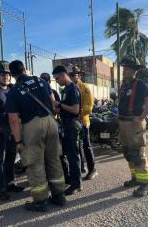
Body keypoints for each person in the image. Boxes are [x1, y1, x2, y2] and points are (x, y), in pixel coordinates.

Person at [6, 60, 66, 212]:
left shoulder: (13, 91)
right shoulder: (41, 81)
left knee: (35, 164)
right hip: (51, 122)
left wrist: (18, 141)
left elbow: (13, 120)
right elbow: (53, 102)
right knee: (53, 159)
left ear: (12, 75)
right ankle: (59, 196)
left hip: (32, 126)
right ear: (25, 69)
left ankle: (40, 201)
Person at [117, 55, 148, 197]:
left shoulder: (140, 84)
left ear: (134, 71)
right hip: (123, 123)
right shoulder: (124, 86)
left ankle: (145, 184)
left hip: (134, 124)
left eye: (126, 69)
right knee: (128, 153)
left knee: (137, 154)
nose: (124, 71)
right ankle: (135, 178)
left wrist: (142, 117)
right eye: (123, 69)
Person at [0, 61, 25, 201]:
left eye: (8, 74)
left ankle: (10, 183)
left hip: (12, 130)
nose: (6, 77)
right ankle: (0, 189)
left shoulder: (12, 89)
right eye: (3, 74)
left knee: (10, 158)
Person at [52, 65, 83, 196]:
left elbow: (75, 109)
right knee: (69, 155)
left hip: (72, 125)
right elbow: (64, 109)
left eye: (57, 78)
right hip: (66, 125)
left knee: (73, 155)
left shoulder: (72, 89)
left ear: (64, 74)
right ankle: (72, 180)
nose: (57, 81)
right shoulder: (65, 90)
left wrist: (59, 104)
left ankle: (77, 184)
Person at [69, 66, 98, 180]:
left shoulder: (84, 88)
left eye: (73, 75)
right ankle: (81, 167)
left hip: (82, 122)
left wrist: (78, 114)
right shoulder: (68, 88)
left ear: (79, 76)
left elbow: (89, 107)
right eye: (70, 75)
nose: (71, 77)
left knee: (86, 146)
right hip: (74, 123)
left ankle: (93, 170)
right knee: (78, 146)